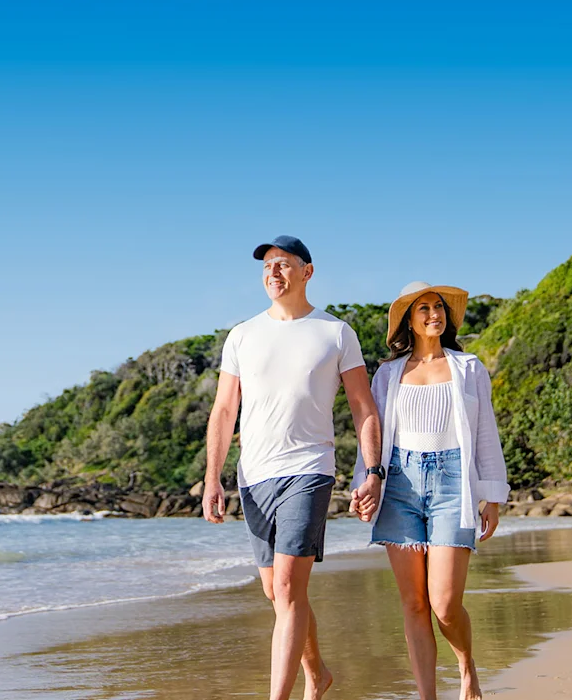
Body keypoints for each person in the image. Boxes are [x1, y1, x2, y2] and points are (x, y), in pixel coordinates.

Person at [202, 235, 382, 700]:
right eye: (266, 267)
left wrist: (373, 470)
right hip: (254, 475)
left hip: (310, 467)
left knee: (287, 585)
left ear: (308, 271)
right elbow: (224, 410)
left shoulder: (335, 332)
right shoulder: (242, 334)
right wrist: (212, 478)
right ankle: (317, 672)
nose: (273, 273)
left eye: (283, 265)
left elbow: (363, 406)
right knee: (277, 593)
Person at [349, 281, 509, 700]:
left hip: (453, 484)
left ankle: (465, 665)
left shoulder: (469, 367)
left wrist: (491, 496)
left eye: (438, 307)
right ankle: (427, 696)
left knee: (443, 604)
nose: (433, 314)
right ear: (408, 319)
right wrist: (366, 483)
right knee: (414, 604)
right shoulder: (388, 373)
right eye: (423, 308)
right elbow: (373, 433)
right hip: (399, 484)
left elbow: (486, 433)